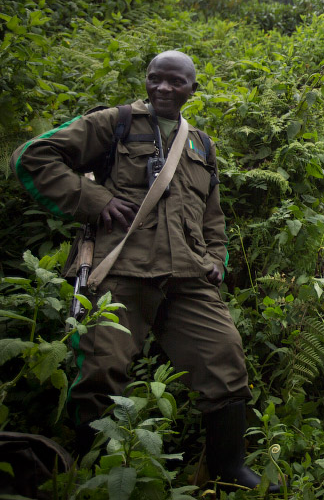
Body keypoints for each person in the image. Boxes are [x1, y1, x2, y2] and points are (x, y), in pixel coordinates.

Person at [9, 50, 278, 492]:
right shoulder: (113, 123)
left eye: (176, 82)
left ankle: (228, 468)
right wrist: (95, 201)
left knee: (225, 360)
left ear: (193, 88)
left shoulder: (201, 144)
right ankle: (89, 469)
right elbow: (33, 157)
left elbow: (212, 214)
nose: (164, 89)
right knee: (99, 372)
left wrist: (216, 258)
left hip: (188, 279)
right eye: (156, 79)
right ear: (147, 80)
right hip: (119, 271)